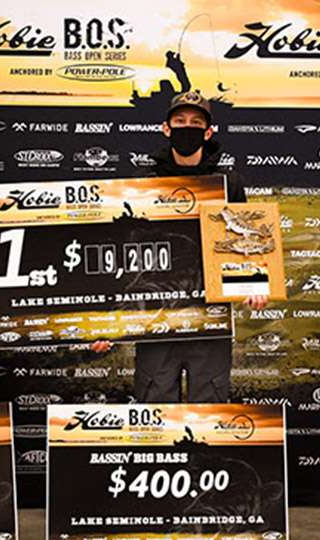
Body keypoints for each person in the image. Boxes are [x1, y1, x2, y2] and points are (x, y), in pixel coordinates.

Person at [92, 91, 267, 402]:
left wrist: (254, 284)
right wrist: (109, 321)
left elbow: (244, 240)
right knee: (155, 408)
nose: (188, 128)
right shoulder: (143, 183)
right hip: (157, 319)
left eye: (196, 123)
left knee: (210, 409)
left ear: (208, 132)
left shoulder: (229, 182)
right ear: (166, 128)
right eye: (180, 121)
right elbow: (125, 253)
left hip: (210, 318)